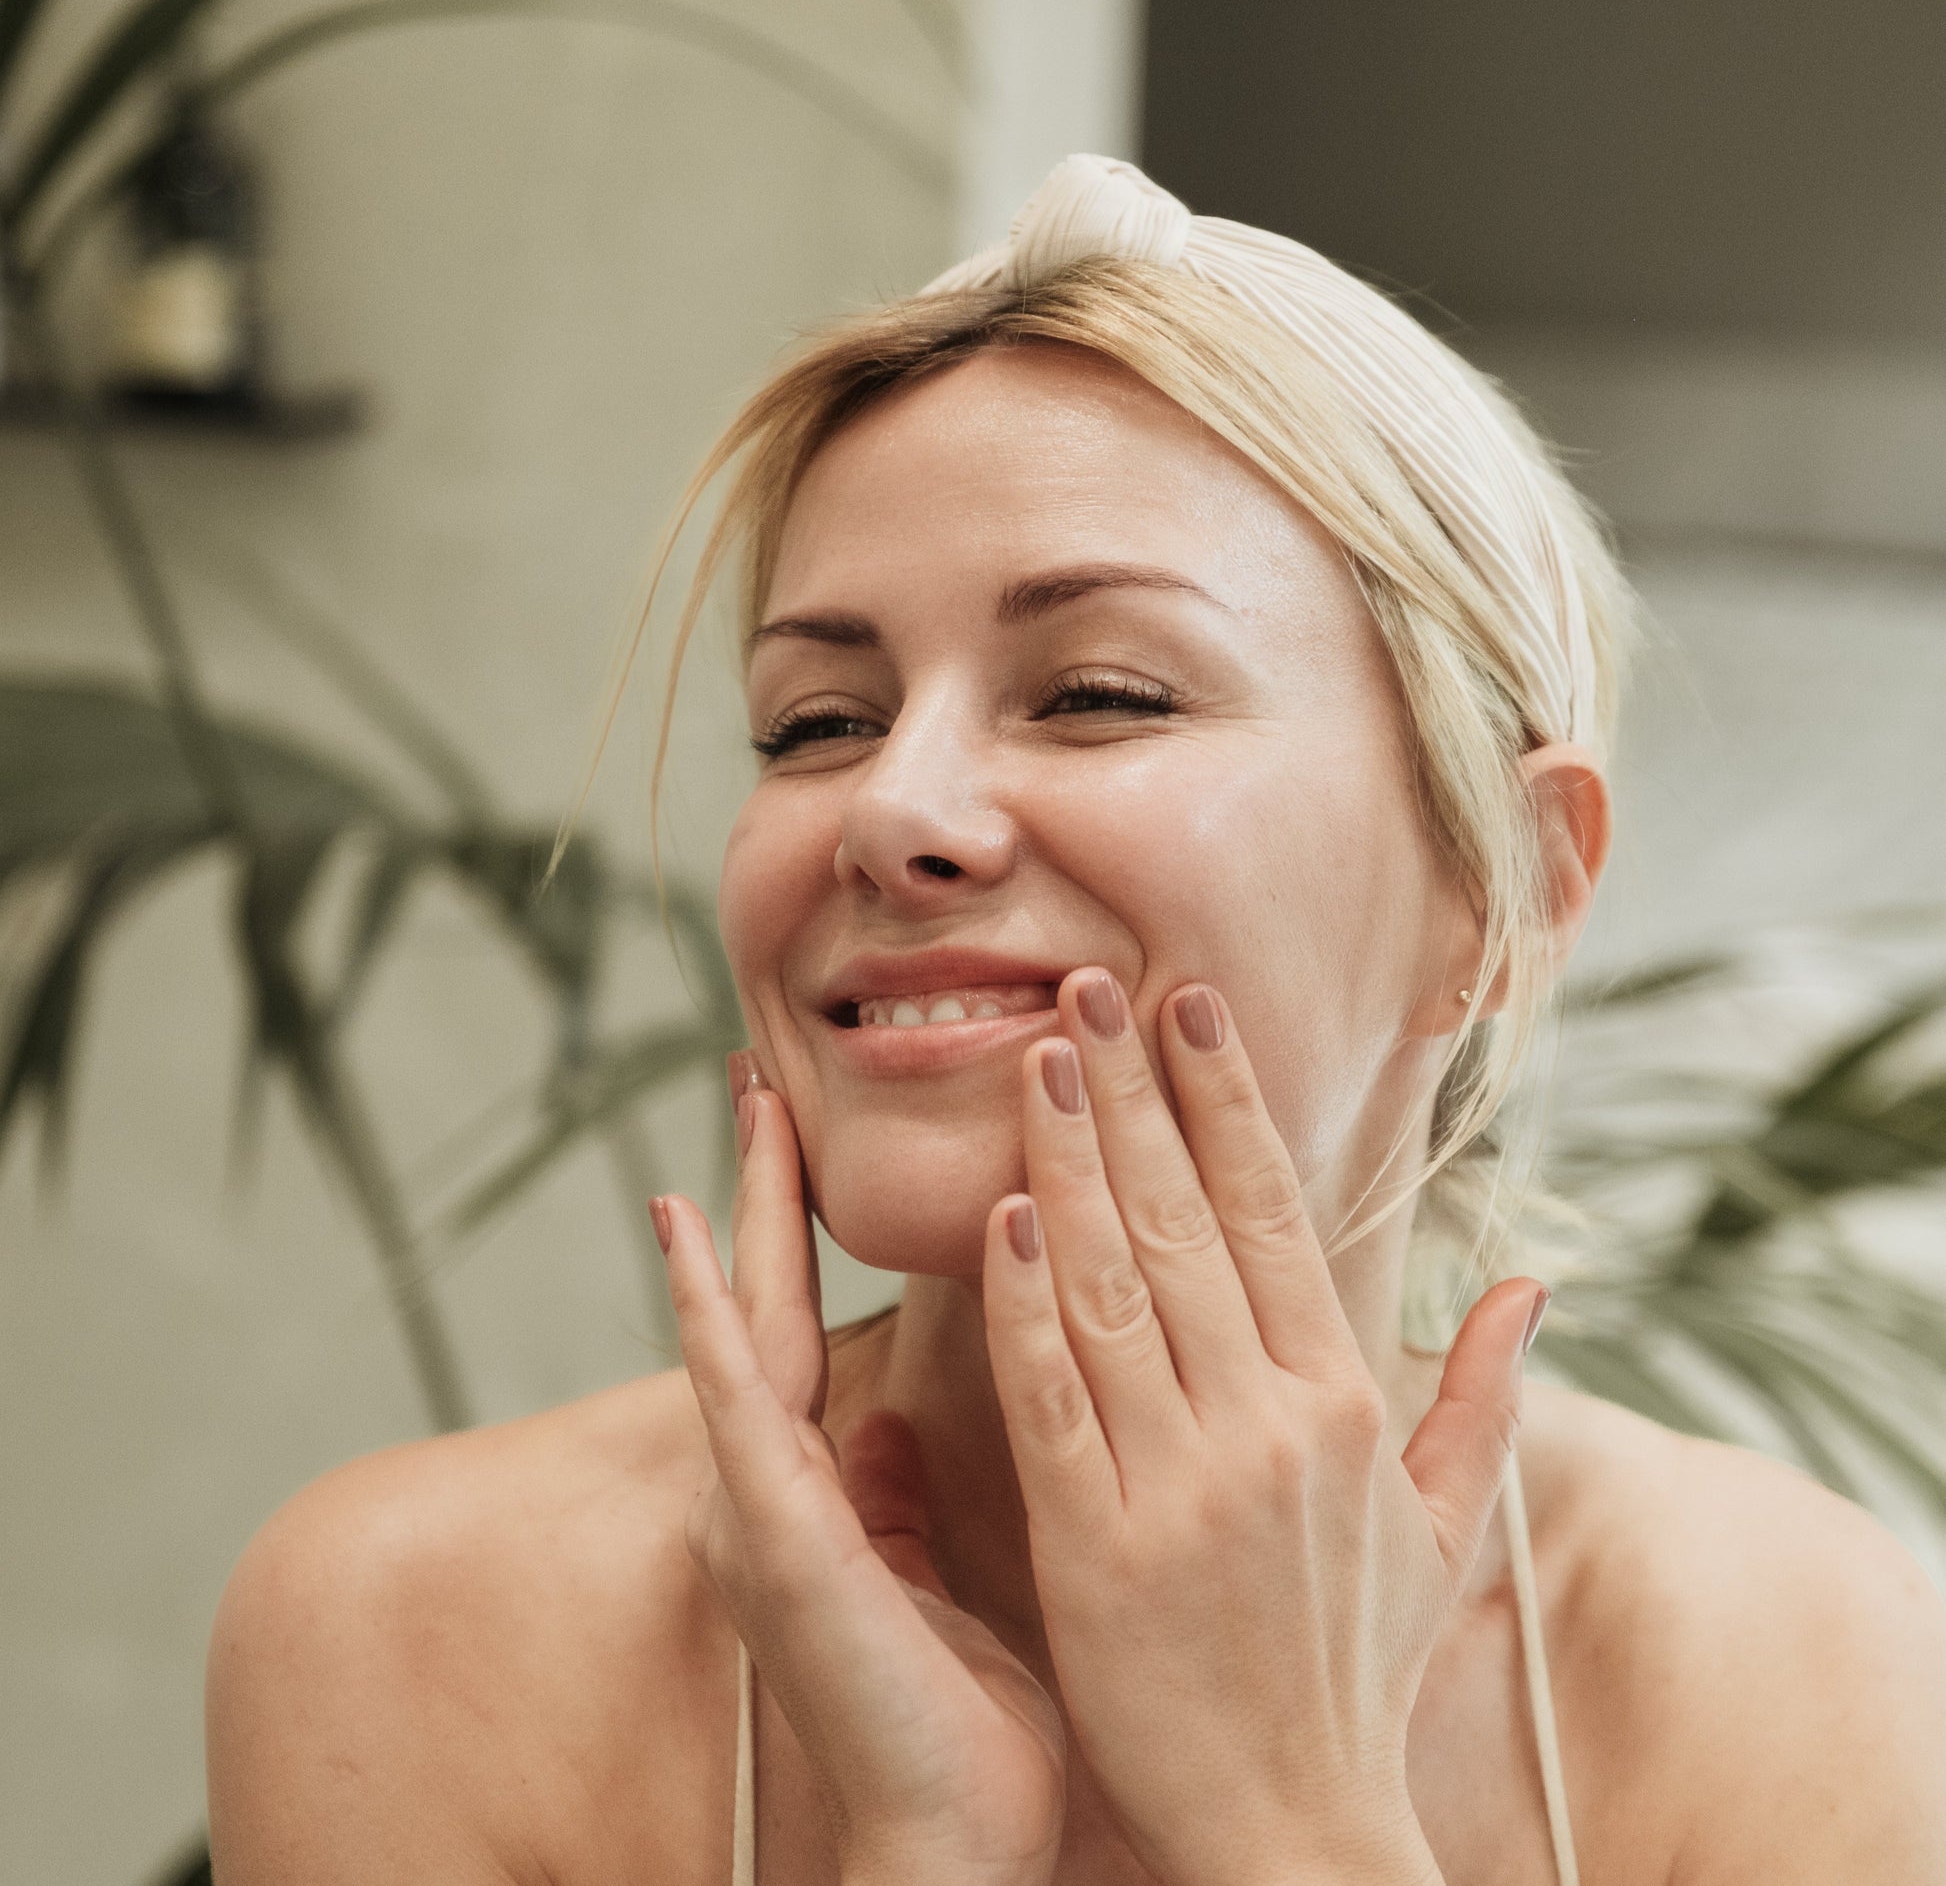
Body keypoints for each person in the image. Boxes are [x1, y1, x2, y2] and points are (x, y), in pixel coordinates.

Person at [205, 157, 1946, 1885]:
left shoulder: (1789, 1657)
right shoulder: (409, 1628)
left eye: (1099, 691)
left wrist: (1296, 1827)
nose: (893, 807)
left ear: (1506, 889)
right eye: (815, 720)